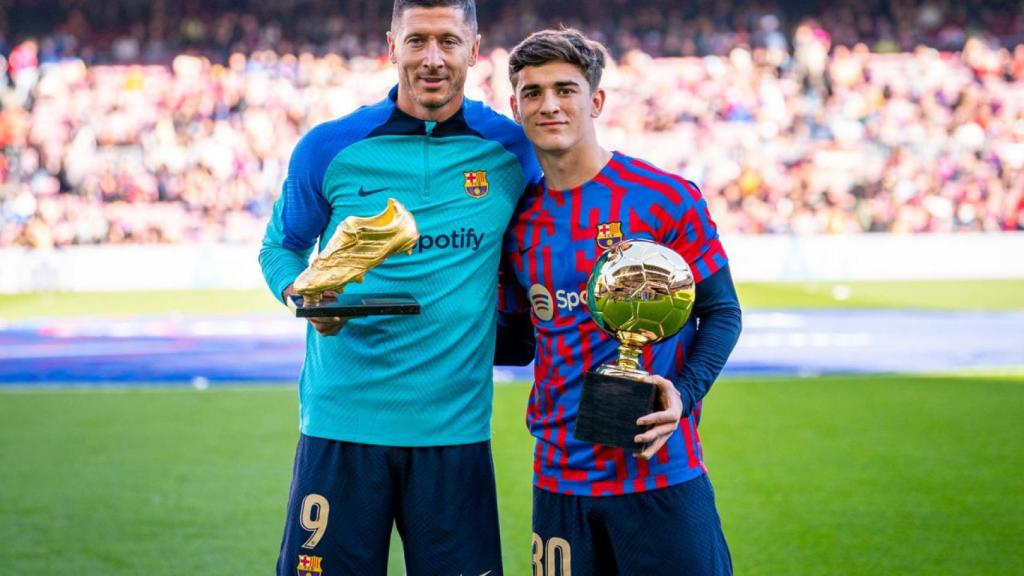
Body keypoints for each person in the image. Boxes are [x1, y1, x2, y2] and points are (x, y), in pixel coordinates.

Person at [258, 1, 540, 574]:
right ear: (391, 46)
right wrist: (302, 296)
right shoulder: (329, 147)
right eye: (416, 41)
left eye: (448, 41)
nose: (432, 59)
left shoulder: (513, 150)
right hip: (342, 426)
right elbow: (279, 249)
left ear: (474, 49)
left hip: (454, 434)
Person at [496, 29, 742, 575]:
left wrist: (684, 392)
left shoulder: (664, 198)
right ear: (515, 107)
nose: (549, 104)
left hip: (658, 475)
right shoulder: (515, 221)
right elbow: (514, 341)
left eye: (566, 89)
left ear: (596, 100)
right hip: (559, 482)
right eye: (532, 93)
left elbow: (722, 311)